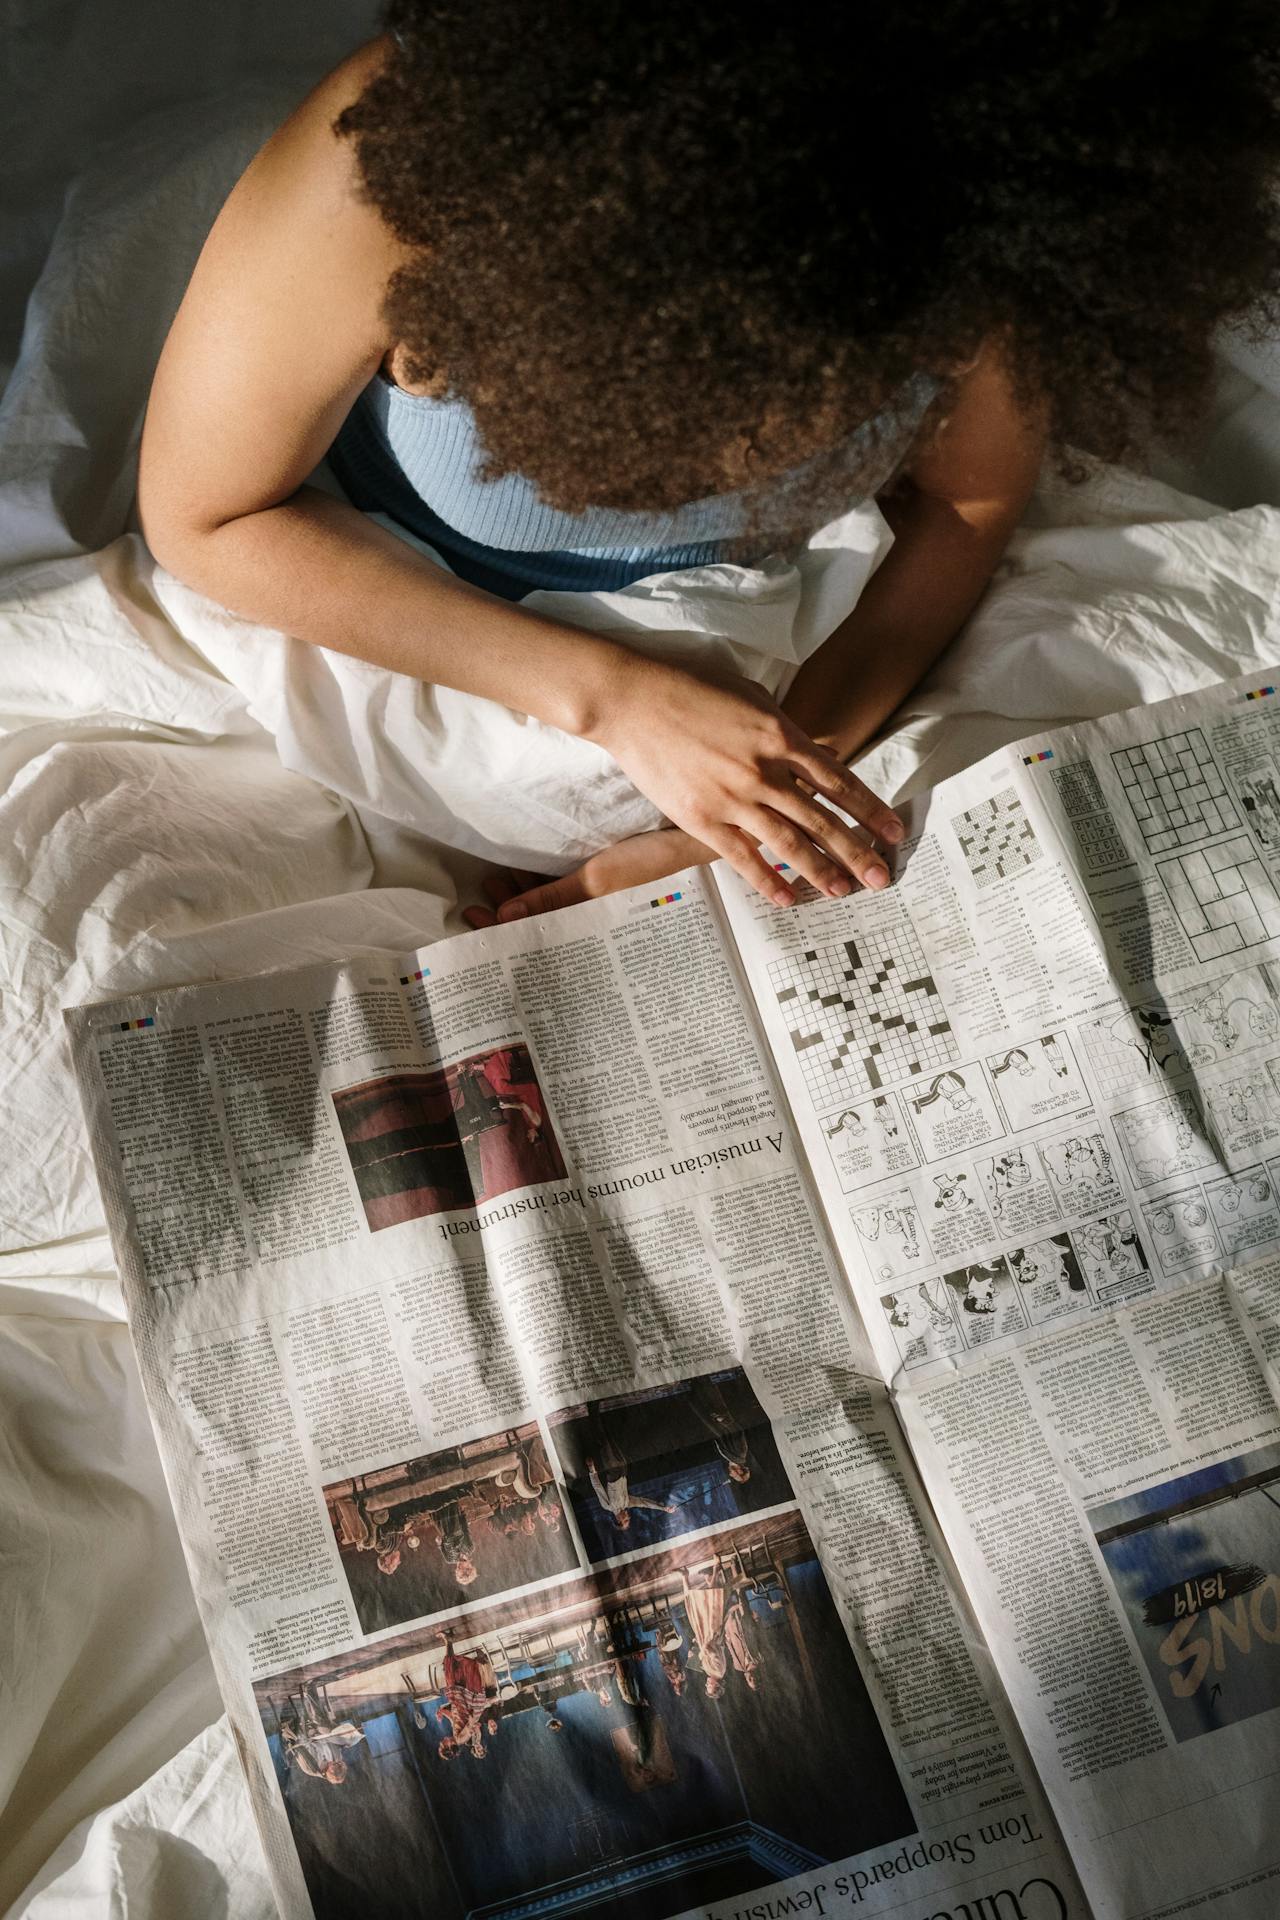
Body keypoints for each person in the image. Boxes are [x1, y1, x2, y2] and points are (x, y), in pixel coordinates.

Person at [136, 4, 1280, 920]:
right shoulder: (383, 183)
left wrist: (739, 810)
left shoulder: (963, 211)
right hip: (387, 584)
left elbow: (964, 504)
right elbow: (206, 518)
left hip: (785, 624)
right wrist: (617, 700)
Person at [281, 1685, 367, 1785]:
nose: (334, 1761)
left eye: (333, 1764)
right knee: (332, 1730)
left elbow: (300, 1746)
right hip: (323, 1734)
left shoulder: (312, 1768)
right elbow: (336, 1746)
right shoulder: (337, 1760)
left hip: (304, 1735)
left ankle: (309, 1691)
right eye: (337, 1762)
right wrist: (345, 1743)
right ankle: (309, 1693)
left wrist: (315, 1734)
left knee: (321, 1723)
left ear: (329, 1772)